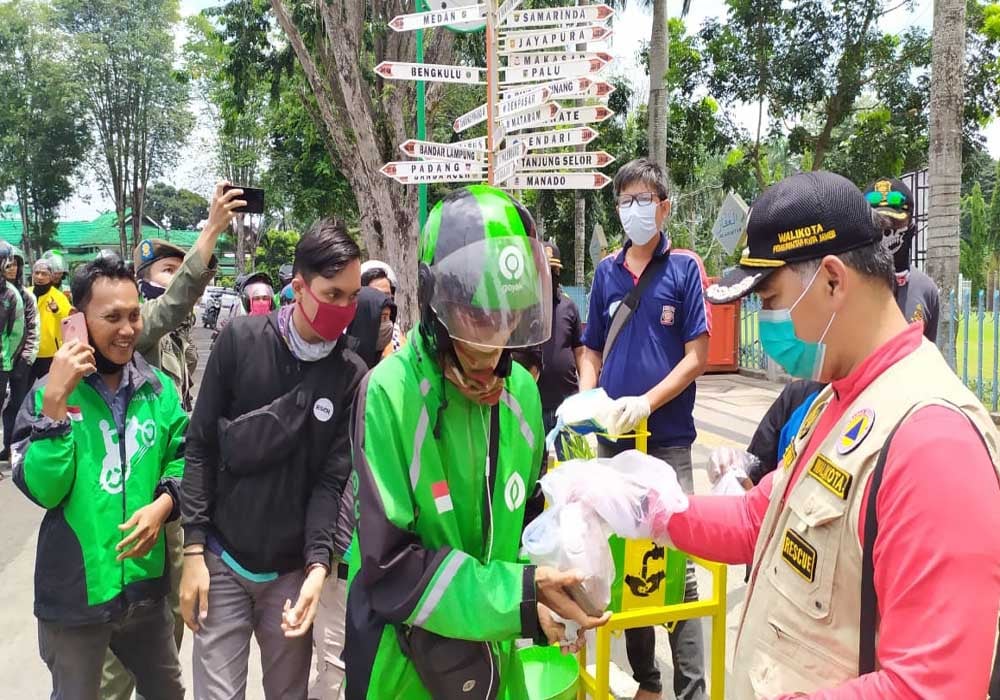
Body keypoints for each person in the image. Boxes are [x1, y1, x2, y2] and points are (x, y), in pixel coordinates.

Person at [667, 170, 1000, 698]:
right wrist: (652, 510)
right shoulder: (838, 397)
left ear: (832, 280)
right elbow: (760, 519)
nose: (765, 321)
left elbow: (929, 687)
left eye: (770, 299)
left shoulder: (933, 443)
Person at [345, 185, 609, 700]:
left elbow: (525, 524)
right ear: (435, 299)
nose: (493, 339)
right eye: (477, 316)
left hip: (495, 664)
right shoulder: (389, 394)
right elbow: (392, 567)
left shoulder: (523, 394)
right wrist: (522, 598)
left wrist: (558, 574)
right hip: (402, 669)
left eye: (510, 315)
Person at [181, 219, 368, 700]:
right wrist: (193, 551)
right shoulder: (240, 341)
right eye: (333, 294)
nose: (344, 308)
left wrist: (317, 568)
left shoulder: (350, 374)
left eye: (353, 296)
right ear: (299, 288)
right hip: (222, 560)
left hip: (290, 572)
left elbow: (331, 483)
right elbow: (200, 446)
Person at [11, 255, 189, 700]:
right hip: (75, 596)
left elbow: (187, 458)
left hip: (146, 591)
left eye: (134, 315)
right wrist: (55, 406)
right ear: (77, 320)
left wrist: (164, 504)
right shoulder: (46, 395)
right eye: (112, 318)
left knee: (168, 691)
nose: (128, 330)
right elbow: (45, 489)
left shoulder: (158, 389)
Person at [578, 158, 709, 700]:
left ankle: (692, 689)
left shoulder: (684, 268)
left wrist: (647, 403)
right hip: (614, 442)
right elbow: (590, 347)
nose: (634, 210)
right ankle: (646, 681)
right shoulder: (606, 273)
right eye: (625, 201)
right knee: (625, 559)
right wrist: (589, 398)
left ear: (663, 207)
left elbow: (697, 355)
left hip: (668, 442)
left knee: (678, 565)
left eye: (643, 200)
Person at [100, 185, 236, 700]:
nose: (174, 280)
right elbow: (177, 300)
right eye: (165, 271)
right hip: (132, 490)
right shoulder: (140, 328)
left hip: (172, 487)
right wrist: (211, 230)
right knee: (123, 625)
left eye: (178, 271)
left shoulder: (173, 339)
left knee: (170, 613)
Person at [864, 177, 939, 341]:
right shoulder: (847, 287)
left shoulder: (926, 290)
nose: (885, 232)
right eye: (878, 224)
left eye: (894, 223)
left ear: (911, 228)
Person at [537, 241, 584, 435]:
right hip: (535, 405)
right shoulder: (526, 309)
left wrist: (584, 393)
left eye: (554, 270)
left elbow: (580, 352)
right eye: (545, 270)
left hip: (567, 405)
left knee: (572, 454)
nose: (550, 275)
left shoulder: (569, 307)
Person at [1, 245, 37, 465]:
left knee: (19, 405)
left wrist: (24, 358)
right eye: (8, 264)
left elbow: (31, 329)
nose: (11, 268)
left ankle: (18, 449)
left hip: (21, 359)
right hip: (6, 359)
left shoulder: (24, 296)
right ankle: (7, 447)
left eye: (15, 264)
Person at [30, 258, 72, 382]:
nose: (40, 277)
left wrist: (56, 311)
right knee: (23, 391)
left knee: (50, 387)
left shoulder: (59, 296)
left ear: (50, 276)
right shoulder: (26, 293)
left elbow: (68, 320)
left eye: (44, 274)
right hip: (28, 352)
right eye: (37, 273)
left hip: (50, 353)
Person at [347, 286, 396, 369]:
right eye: (384, 318)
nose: (389, 324)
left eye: (389, 317)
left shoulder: (389, 366)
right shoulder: (341, 366)